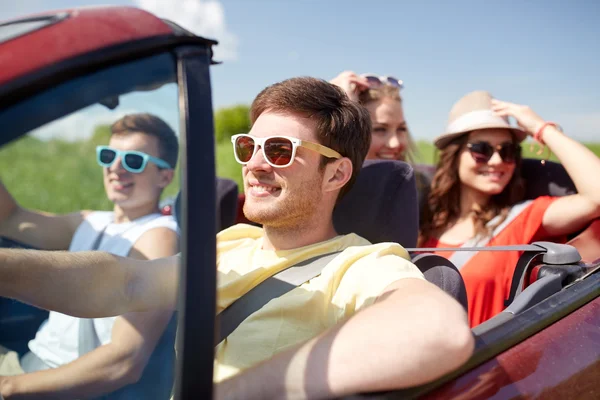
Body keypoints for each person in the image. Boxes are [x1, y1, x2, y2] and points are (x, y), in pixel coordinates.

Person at [0, 78, 474, 400]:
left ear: (337, 174)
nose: (254, 164)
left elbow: (439, 331)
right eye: (248, 146)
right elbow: (125, 283)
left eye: (280, 150)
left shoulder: (360, 263)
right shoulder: (233, 243)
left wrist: (228, 393)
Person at [0, 113, 180, 398]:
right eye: (108, 156)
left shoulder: (159, 237)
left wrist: (9, 387)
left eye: (134, 160)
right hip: (28, 364)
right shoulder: (91, 220)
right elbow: (11, 219)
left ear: (164, 176)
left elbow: (125, 360)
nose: (116, 168)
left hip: (51, 386)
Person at [418, 90, 600, 327]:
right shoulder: (424, 217)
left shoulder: (523, 218)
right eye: (481, 150)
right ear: (454, 154)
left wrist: (542, 128)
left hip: (480, 361)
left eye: (507, 151)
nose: (496, 161)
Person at [330, 71, 430, 196]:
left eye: (401, 129)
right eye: (380, 129)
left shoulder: (420, 189)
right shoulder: (325, 194)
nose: (395, 143)